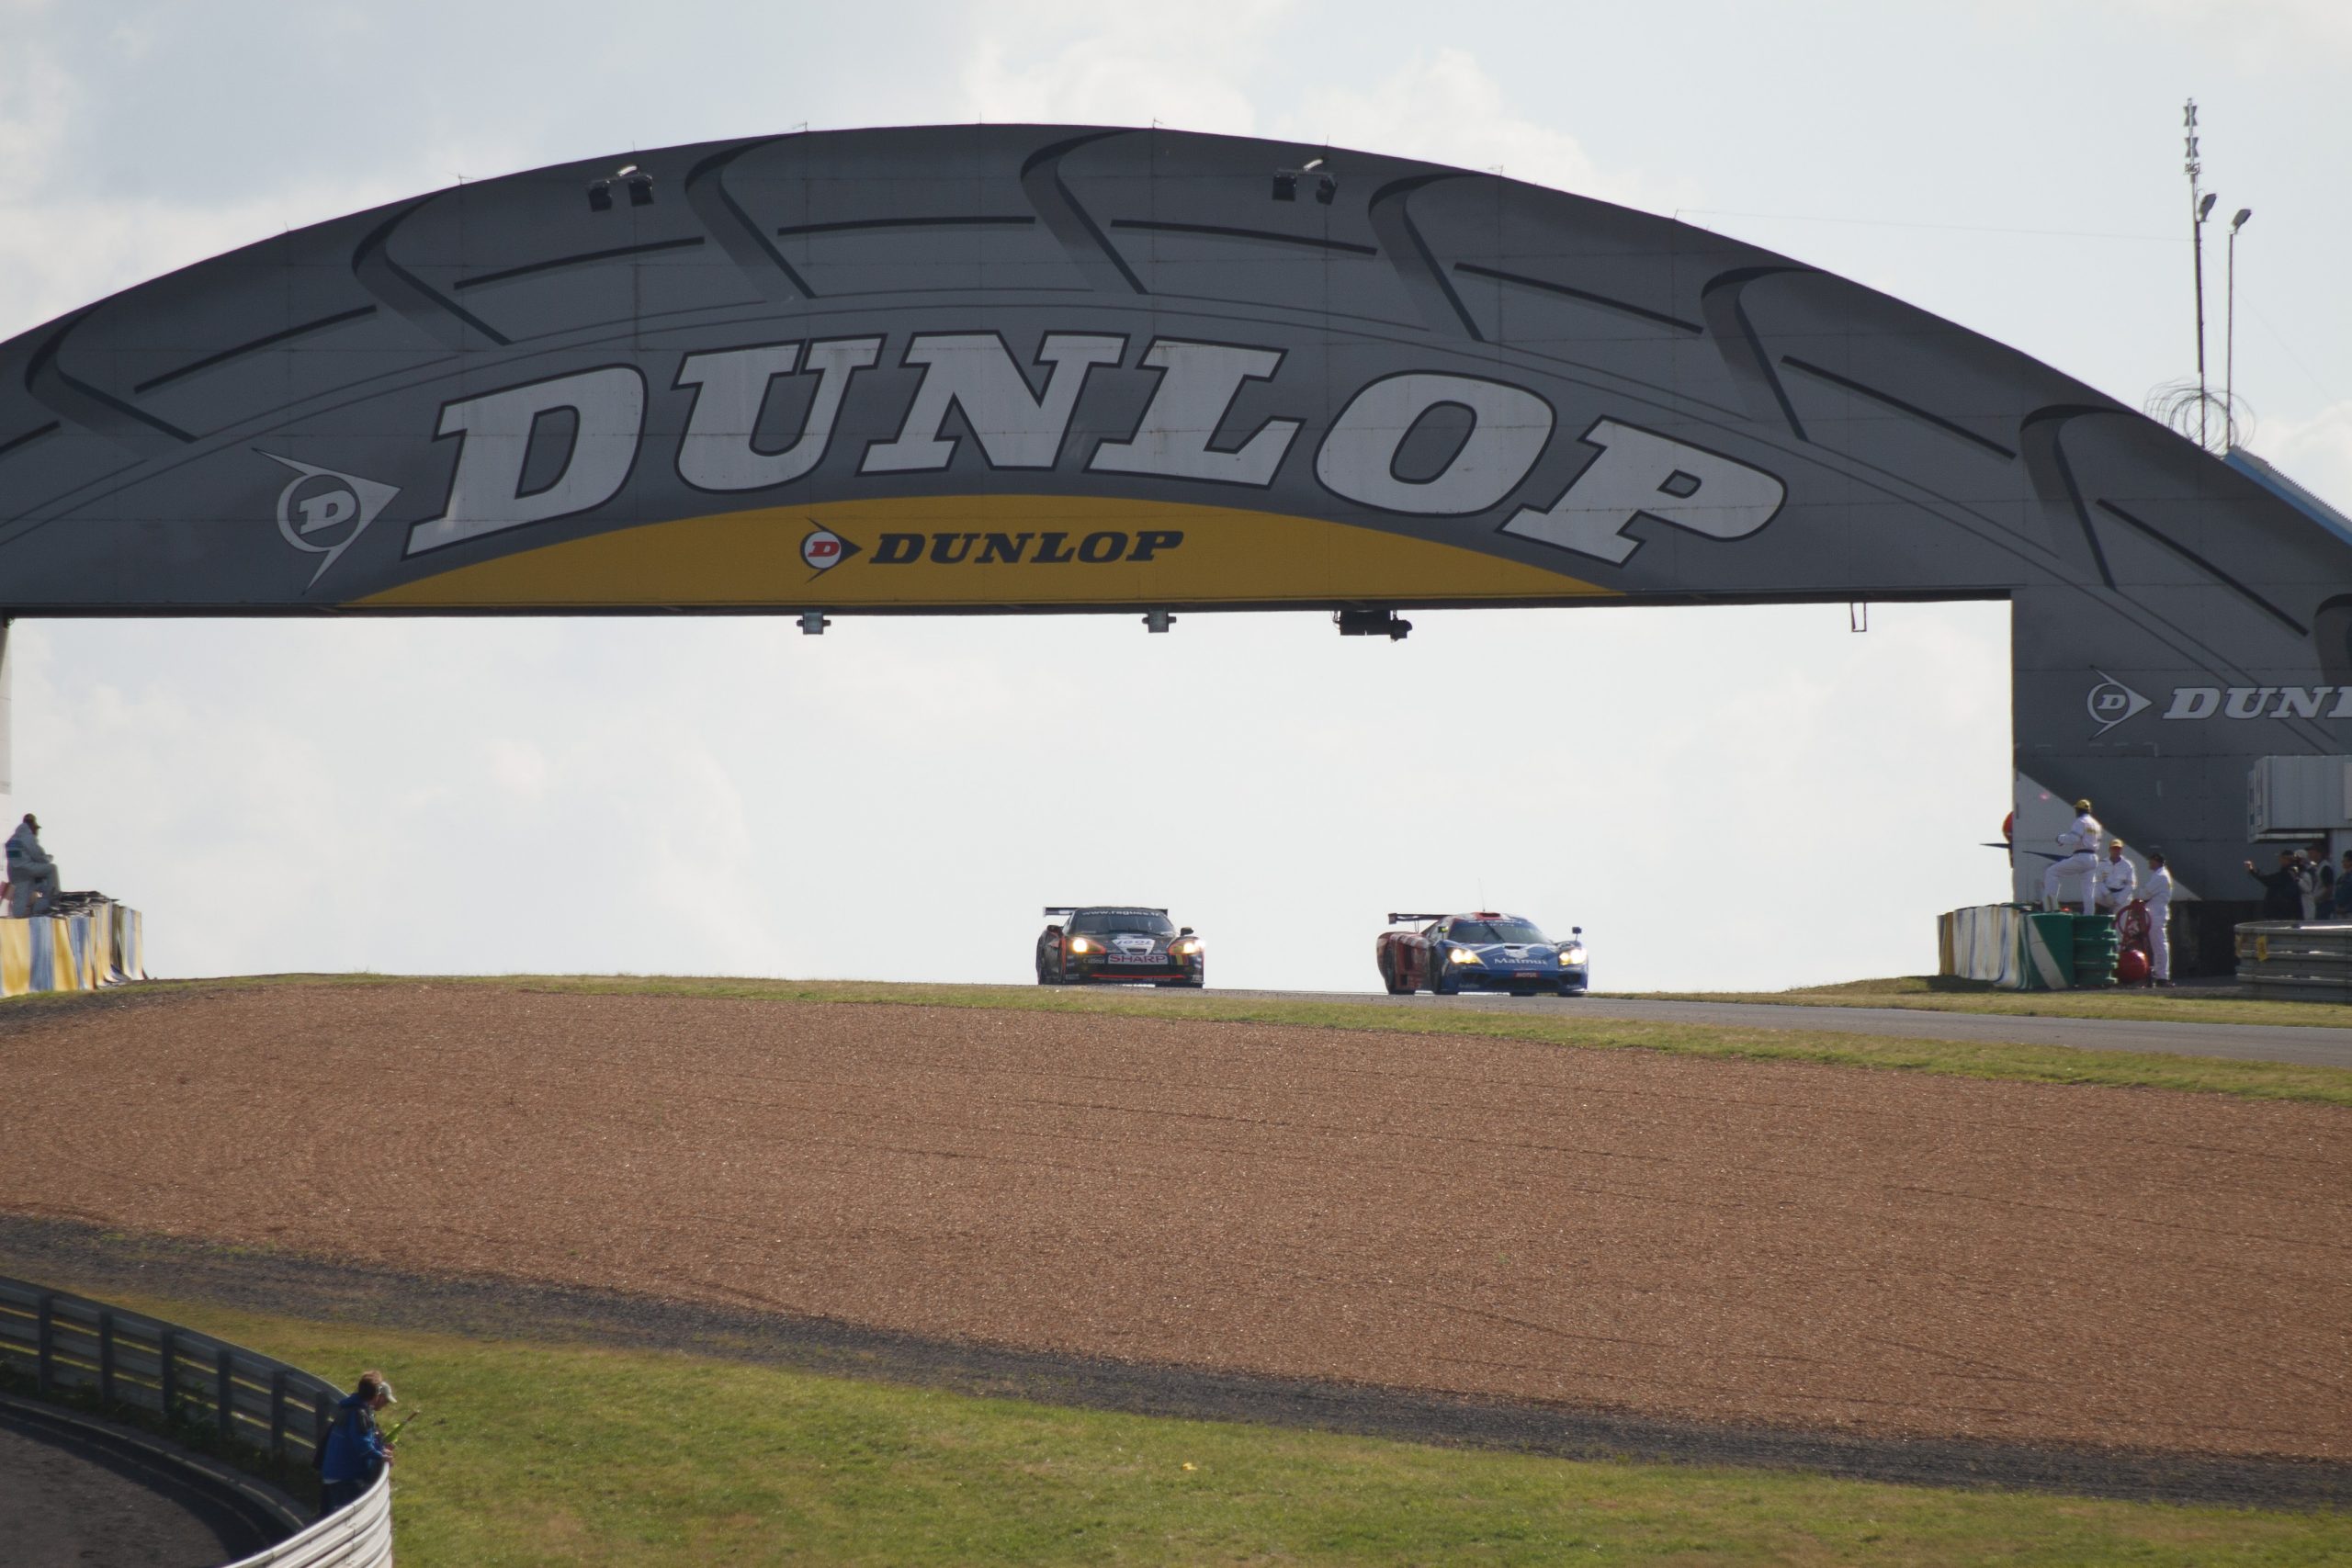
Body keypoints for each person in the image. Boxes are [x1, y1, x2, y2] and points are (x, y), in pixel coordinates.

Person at [317, 1370, 396, 1516]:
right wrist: (382, 1456)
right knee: (347, 1520)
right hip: (344, 1477)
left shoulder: (351, 1408)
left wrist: (380, 1450)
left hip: (334, 1473)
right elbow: (363, 1447)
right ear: (377, 1395)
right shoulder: (359, 1414)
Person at [2041, 798, 2104, 914]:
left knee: (2052, 872)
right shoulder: (2096, 825)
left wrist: (2060, 838)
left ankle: (2050, 908)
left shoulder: (2080, 821)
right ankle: (2089, 916)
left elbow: (2074, 838)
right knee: (2088, 890)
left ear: (2078, 810)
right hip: (2093, 858)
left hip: (2081, 856)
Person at [4, 814, 58, 918]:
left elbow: (16, 858)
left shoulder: (12, 839)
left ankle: (17, 918)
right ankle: (52, 900)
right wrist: (46, 859)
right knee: (51, 869)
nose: (36, 832)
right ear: (31, 825)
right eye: (36, 828)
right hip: (27, 870)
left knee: (21, 895)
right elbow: (37, 855)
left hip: (15, 874)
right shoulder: (27, 836)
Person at [2143, 849, 2175, 986]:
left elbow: (2146, 893)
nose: (2149, 862)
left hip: (2156, 912)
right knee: (2159, 944)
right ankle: (2160, 974)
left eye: (2151, 860)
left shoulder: (2160, 876)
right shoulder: (2162, 875)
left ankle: (2162, 976)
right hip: (2157, 911)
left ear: (2156, 861)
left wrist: (2140, 895)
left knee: (2159, 945)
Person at [2245, 851, 2305, 921]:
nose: (2279, 861)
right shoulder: (2293, 871)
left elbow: (2269, 880)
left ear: (2286, 859)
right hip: (2286, 910)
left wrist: (2253, 871)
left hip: (2282, 910)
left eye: (2281, 858)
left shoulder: (2289, 873)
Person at [2093, 838, 2137, 915]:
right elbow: (2099, 881)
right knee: (2095, 894)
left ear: (2121, 850)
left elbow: (2131, 885)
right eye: (2114, 848)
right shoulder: (2102, 863)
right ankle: (2105, 911)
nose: (2116, 851)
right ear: (2109, 850)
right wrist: (2107, 894)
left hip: (2121, 893)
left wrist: (2119, 900)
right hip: (2107, 894)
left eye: (2118, 849)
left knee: (2121, 921)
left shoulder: (2127, 865)